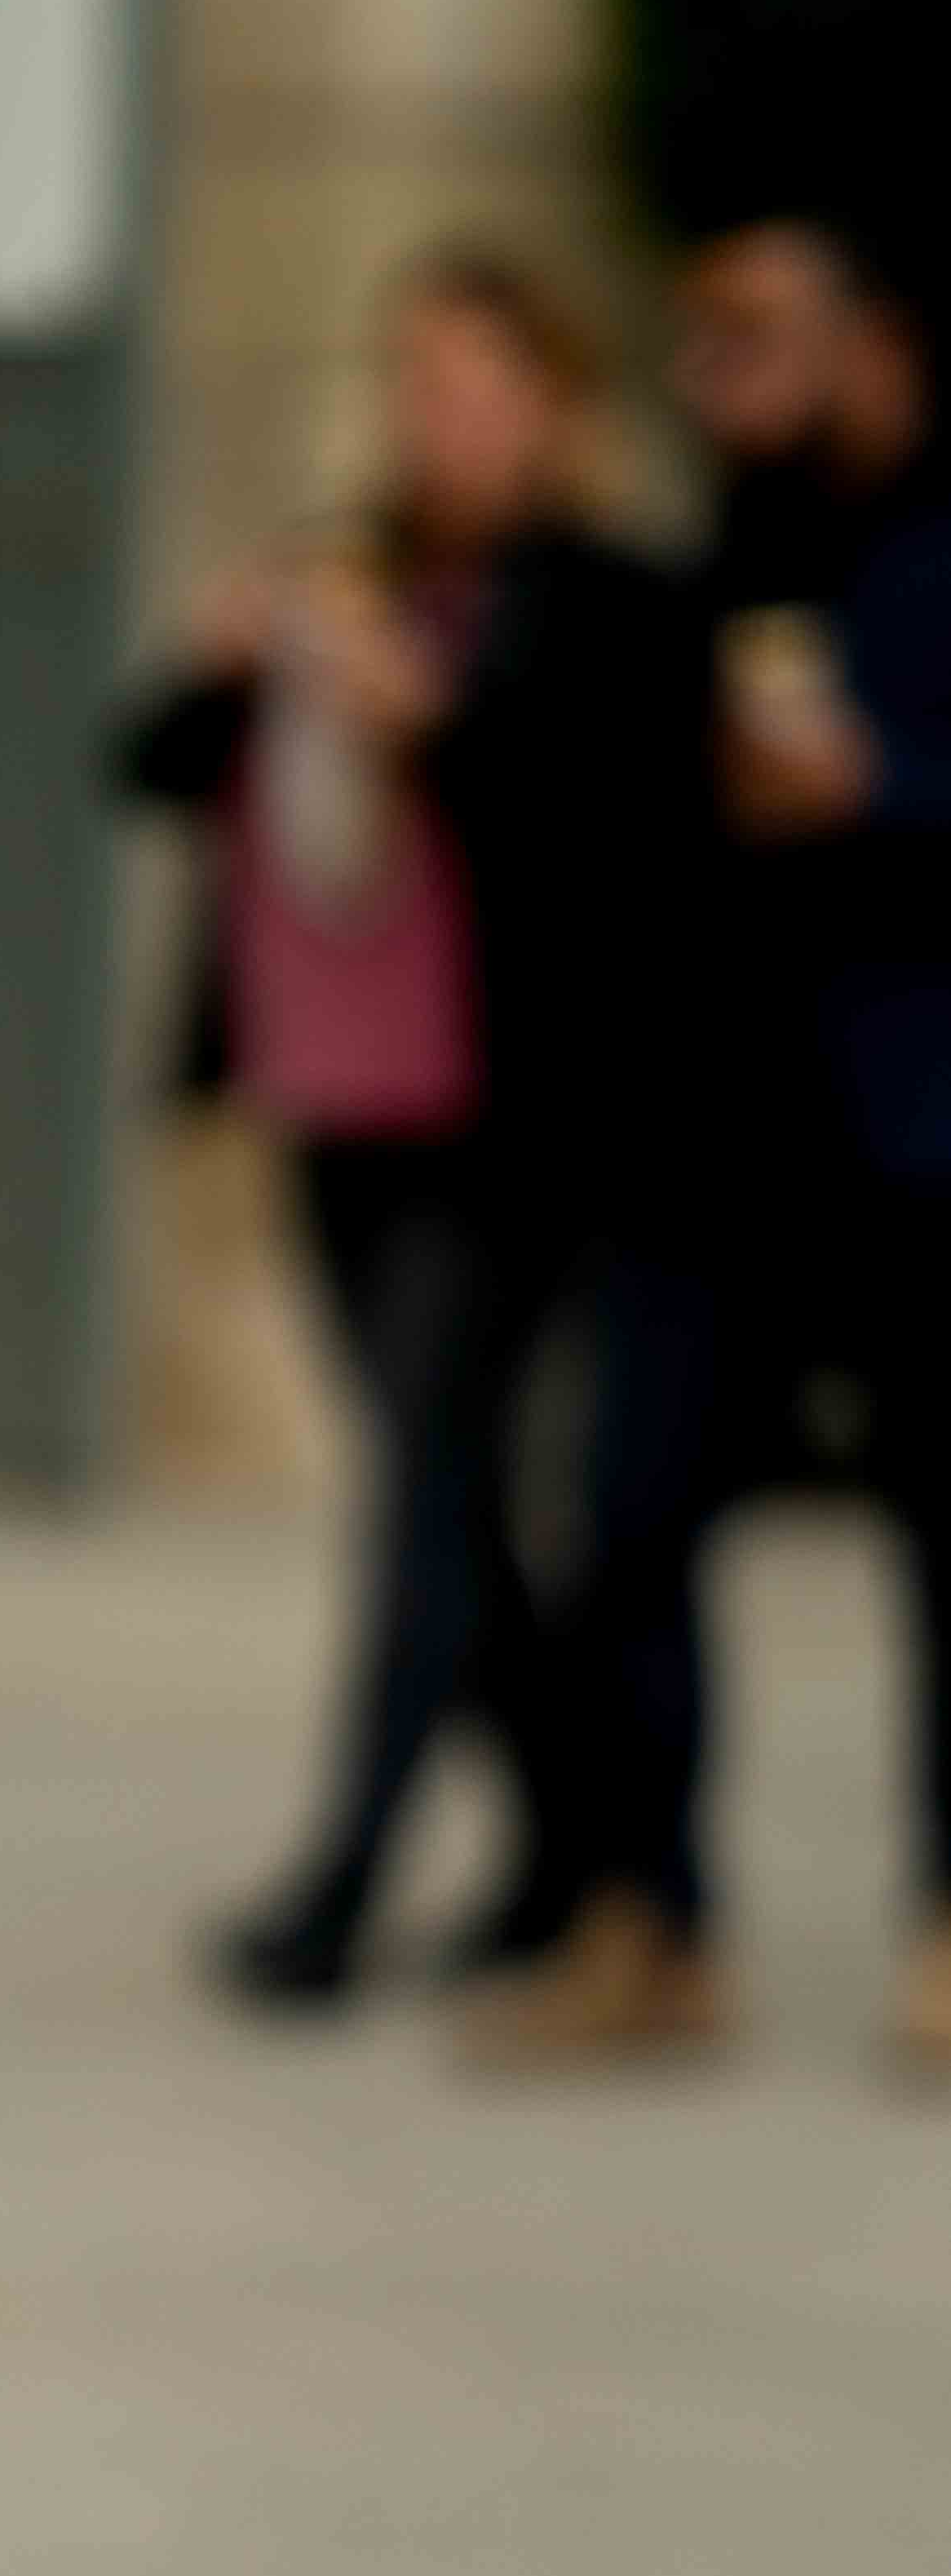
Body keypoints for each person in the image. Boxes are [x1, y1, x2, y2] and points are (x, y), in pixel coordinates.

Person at [116, 251, 689, 2009]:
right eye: (412, 378)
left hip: (500, 1121)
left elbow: (617, 823)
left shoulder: (604, 596)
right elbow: (140, 765)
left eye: (470, 381)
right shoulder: (337, 565)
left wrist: (437, 721)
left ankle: (346, 1882)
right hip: (332, 1096)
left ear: (550, 405)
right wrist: (220, 663)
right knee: (451, 1502)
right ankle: (564, 1854)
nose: (433, 415)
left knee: (426, 1498)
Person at [493, 210, 951, 2073]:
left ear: (873, 335)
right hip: (707, 1135)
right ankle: (650, 1921)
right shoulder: (712, 552)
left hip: (917, 1129)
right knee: (623, 1515)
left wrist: (883, 791)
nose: (717, 377)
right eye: (696, 342)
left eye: (755, 335)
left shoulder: (937, 544)